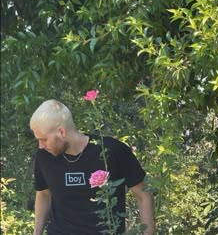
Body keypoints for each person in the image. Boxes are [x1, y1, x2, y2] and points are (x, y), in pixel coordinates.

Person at [30, 99, 155, 235]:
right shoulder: (44, 156)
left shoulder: (111, 150)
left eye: (43, 139)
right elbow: (43, 194)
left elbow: (143, 195)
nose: (41, 146)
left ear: (61, 132)